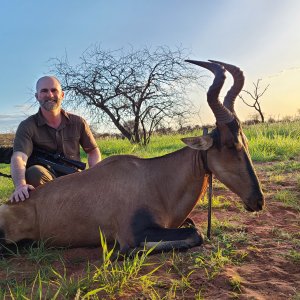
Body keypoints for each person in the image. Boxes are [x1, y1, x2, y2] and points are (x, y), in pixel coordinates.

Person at [9, 76, 101, 203]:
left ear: (62, 95)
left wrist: (93, 175)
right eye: (44, 91)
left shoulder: (78, 122)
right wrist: (20, 185)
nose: (49, 94)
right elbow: (19, 157)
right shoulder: (27, 126)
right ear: (37, 96)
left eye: (54, 90)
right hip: (47, 181)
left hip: (75, 179)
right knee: (34, 173)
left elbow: (92, 151)